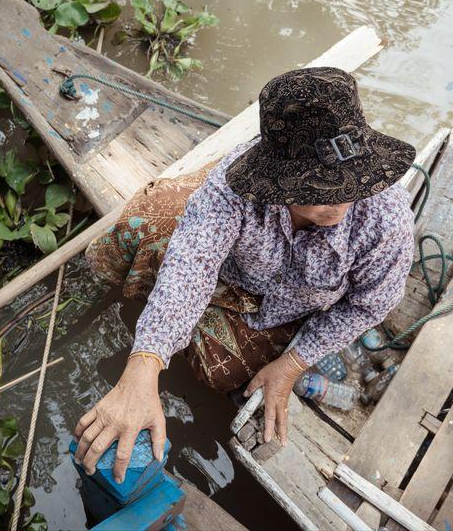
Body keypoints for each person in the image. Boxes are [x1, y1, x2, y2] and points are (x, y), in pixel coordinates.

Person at [73, 67, 417, 483]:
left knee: (222, 374)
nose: (341, 200)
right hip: (233, 267)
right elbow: (191, 264)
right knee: (145, 222)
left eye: (349, 183)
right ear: (280, 180)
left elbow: (369, 305)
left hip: (291, 306)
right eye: (322, 191)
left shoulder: (388, 218)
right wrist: (143, 365)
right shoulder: (232, 187)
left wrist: (290, 365)